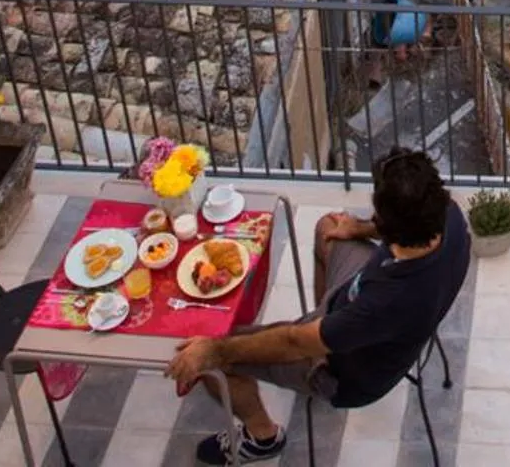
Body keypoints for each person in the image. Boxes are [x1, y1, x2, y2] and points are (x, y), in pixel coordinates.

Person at [166, 149, 470, 463]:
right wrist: (358, 229)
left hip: (346, 375)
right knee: (329, 227)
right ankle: (324, 323)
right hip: (358, 308)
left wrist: (215, 350)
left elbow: (294, 341)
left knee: (212, 355)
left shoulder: (385, 302)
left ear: (387, 219)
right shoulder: (447, 216)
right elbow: (400, 224)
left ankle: (262, 437)